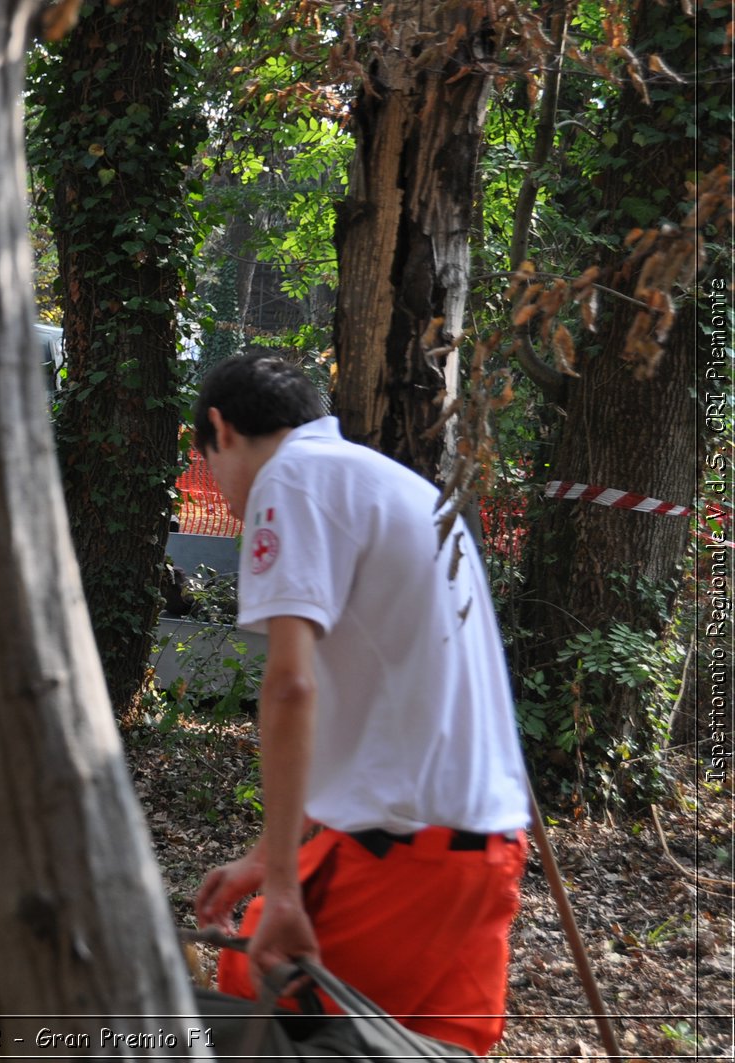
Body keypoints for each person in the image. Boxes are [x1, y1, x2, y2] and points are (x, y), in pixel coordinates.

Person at [190, 353, 530, 1055]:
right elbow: (384, 705)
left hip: (404, 859)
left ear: (220, 430)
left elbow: (290, 686)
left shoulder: (290, 480)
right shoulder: (392, 486)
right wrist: (267, 855)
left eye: (209, 464)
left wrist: (282, 888)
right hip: (485, 852)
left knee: (251, 987)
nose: (222, 495)